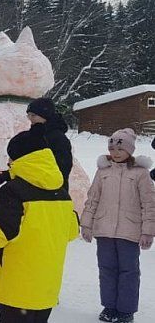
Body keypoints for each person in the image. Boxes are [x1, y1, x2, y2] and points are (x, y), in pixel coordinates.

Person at [0, 123, 79, 323]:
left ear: (21, 159)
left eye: (11, 157)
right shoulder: (61, 191)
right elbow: (72, 231)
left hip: (17, 287)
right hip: (46, 286)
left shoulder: (13, 191)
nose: (9, 162)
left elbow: (2, 231)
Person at [80, 128, 155, 323]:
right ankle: (109, 307)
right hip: (104, 230)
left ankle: (126, 310)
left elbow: (149, 204)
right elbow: (92, 199)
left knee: (129, 272)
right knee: (107, 269)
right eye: (112, 148)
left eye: (120, 149)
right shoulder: (103, 171)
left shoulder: (140, 173)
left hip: (129, 232)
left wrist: (148, 231)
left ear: (130, 150)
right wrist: (86, 224)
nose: (115, 153)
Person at [0, 98, 73, 190]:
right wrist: (7, 175)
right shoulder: (36, 134)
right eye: (28, 115)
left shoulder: (56, 138)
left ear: (45, 116)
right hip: (37, 189)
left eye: (33, 115)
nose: (30, 119)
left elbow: (55, 171)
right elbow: (29, 165)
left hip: (50, 192)